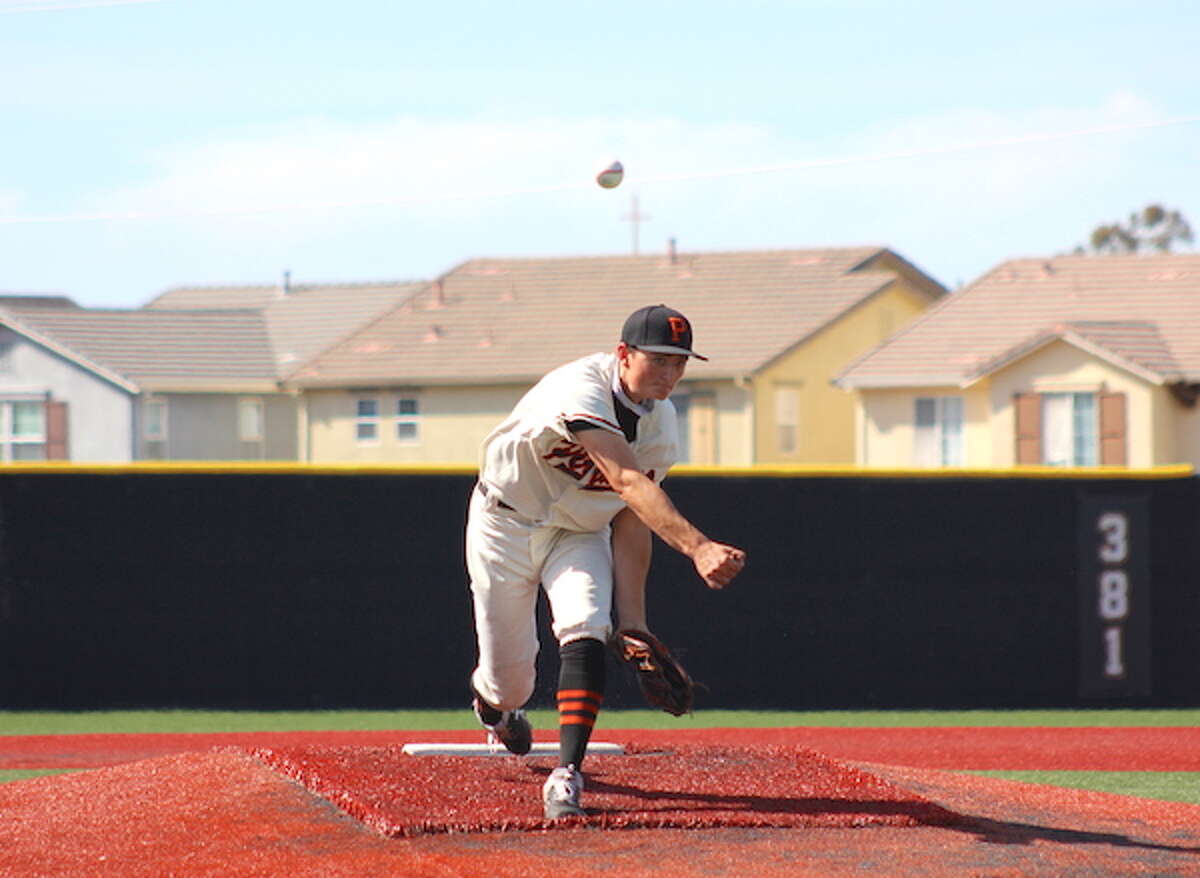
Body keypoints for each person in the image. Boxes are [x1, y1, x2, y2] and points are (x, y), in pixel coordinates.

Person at [465, 303, 746, 819]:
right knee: (511, 682)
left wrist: (633, 619)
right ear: (623, 355)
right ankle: (493, 704)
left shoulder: (661, 423)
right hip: (504, 523)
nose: (670, 374)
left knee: (587, 627)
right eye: (658, 360)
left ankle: (566, 776)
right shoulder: (581, 387)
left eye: (680, 363)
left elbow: (632, 516)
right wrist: (699, 548)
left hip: (578, 532)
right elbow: (626, 480)